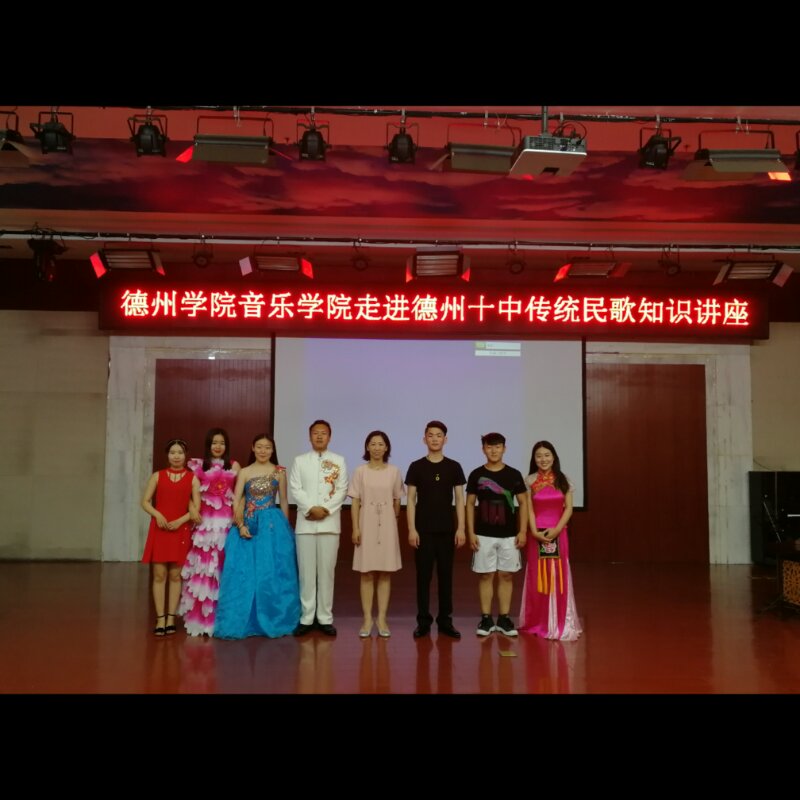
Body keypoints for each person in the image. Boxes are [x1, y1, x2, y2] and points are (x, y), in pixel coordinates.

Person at [213, 433, 300, 639]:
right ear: (253, 448)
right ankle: (246, 619)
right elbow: (237, 500)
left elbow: (284, 500)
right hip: (248, 524)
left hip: (271, 525)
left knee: (270, 572)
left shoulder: (279, 471)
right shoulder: (244, 471)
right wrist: (240, 524)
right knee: (245, 573)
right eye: (259, 447)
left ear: (273, 450)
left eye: (267, 447)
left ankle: (272, 617)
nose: (263, 451)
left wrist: (285, 528)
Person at [405, 420, 466, 639]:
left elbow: (460, 499)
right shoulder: (416, 466)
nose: (434, 439)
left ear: (445, 439)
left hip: (447, 530)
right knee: (423, 578)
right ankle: (423, 621)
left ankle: (445, 621)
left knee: (446, 577)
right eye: (430, 435)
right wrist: (411, 529)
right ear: (424, 439)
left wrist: (461, 528)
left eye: (439, 435)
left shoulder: (454, 466)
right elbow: (410, 500)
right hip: (423, 531)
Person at [289, 420, 348, 636]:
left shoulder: (339, 460)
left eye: (323, 433)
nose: (319, 436)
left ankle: (325, 617)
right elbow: (295, 488)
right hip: (305, 524)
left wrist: (325, 509)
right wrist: (310, 508)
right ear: (310, 436)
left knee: (326, 573)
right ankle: (306, 617)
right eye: (315, 433)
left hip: (329, 524)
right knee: (306, 573)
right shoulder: (300, 461)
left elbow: (342, 490)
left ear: (329, 437)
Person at [179, 427, 240, 637]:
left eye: (222, 443)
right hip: (204, 524)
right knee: (204, 568)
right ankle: (202, 619)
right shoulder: (197, 466)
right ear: (208, 444)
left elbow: (240, 495)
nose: (218, 446)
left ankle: (224, 618)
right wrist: (192, 509)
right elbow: (187, 493)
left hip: (227, 524)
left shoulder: (234, 466)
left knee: (223, 567)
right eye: (214, 442)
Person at [519, 440, 582, 641]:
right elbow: (528, 509)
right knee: (537, 576)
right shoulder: (529, 481)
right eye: (539, 456)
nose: (543, 459)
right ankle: (538, 621)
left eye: (547, 455)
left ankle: (560, 621)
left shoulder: (563, 480)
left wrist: (556, 530)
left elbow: (568, 509)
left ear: (554, 457)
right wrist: (534, 531)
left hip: (558, 533)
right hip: (536, 534)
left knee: (558, 575)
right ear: (534, 459)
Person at [466, 432, 528, 637]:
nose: (493, 450)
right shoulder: (476, 474)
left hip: (509, 535)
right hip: (483, 535)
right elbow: (469, 504)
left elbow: (524, 503)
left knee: (506, 575)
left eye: (498, 446)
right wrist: (470, 532)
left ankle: (504, 618)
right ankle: (486, 619)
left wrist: (522, 530)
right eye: (489, 447)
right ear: (483, 449)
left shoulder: (514, 474)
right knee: (486, 575)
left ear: (504, 449)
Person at [141, 438, 201, 636]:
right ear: (167, 455)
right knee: (159, 575)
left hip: (180, 530)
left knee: (175, 576)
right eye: (173, 452)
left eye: (180, 453)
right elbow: (145, 501)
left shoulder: (192, 478)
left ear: (185, 456)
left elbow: (196, 507)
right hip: (160, 529)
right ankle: (160, 618)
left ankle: (171, 618)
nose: (176, 456)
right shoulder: (157, 476)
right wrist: (157, 515)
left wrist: (181, 521)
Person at [349, 430, 404, 638]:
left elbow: (397, 499)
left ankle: (381, 618)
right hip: (366, 523)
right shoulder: (360, 471)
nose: (377, 448)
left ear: (386, 447)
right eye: (373, 444)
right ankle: (366, 619)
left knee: (385, 572)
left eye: (381, 444)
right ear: (367, 447)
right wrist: (355, 528)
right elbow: (355, 501)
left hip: (387, 524)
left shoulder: (394, 471)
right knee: (366, 573)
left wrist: (392, 519)